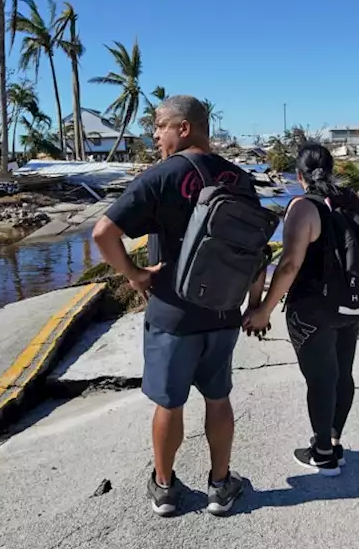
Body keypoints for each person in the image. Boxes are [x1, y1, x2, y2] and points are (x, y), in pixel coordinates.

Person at [92, 95, 262, 517]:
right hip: (223, 311)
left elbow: (103, 234)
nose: (155, 134)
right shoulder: (239, 179)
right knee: (219, 399)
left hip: (172, 312)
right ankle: (221, 487)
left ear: (183, 128)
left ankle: (165, 489)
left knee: (170, 403)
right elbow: (254, 252)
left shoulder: (162, 176)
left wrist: (134, 274)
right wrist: (255, 303)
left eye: (160, 125)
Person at [242, 143, 359, 475]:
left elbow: (290, 265)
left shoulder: (302, 207)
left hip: (313, 309)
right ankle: (335, 441)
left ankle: (323, 454)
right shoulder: (350, 200)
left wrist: (264, 309)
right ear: (332, 169)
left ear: (299, 176)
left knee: (321, 378)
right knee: (342, 373)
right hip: (350, 304)